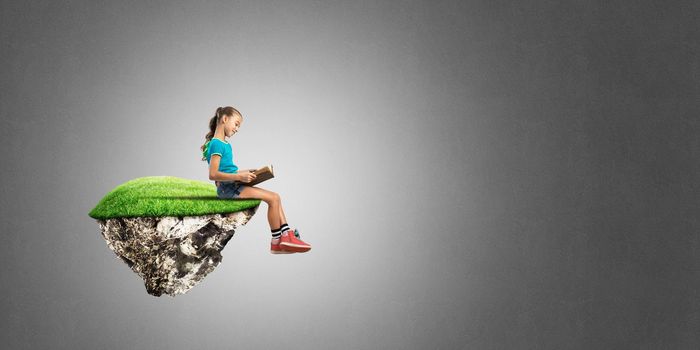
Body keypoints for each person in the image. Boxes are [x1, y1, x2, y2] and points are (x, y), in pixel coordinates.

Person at [200, 106, 311, 254]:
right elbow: (213, 174)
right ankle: (278, 241)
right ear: (224, 119)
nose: (237, 129)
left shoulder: (222, 144)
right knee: (274, 198)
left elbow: (225, 170)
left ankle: (284, 237)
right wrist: (240, 177)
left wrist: (244, 172)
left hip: (233, 184)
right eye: (236, 123)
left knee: (275, 197)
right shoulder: (217, 143)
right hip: (229, 189)